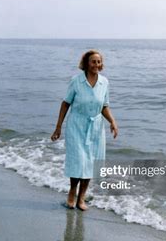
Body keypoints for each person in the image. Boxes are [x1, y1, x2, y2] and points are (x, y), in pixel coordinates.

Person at [51, 50, 118, 211]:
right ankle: (72, 192)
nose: (96, 65)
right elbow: (66, 103)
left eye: (99, 62)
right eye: (93, 61)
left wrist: (113, 122)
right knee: (78, 160)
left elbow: (104, 106)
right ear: (86, 63)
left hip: (95, 127)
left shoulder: (104, 82)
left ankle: (82, 198)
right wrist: (58, 127)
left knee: (90, 163)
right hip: (76, 125)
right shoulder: (76, 81)